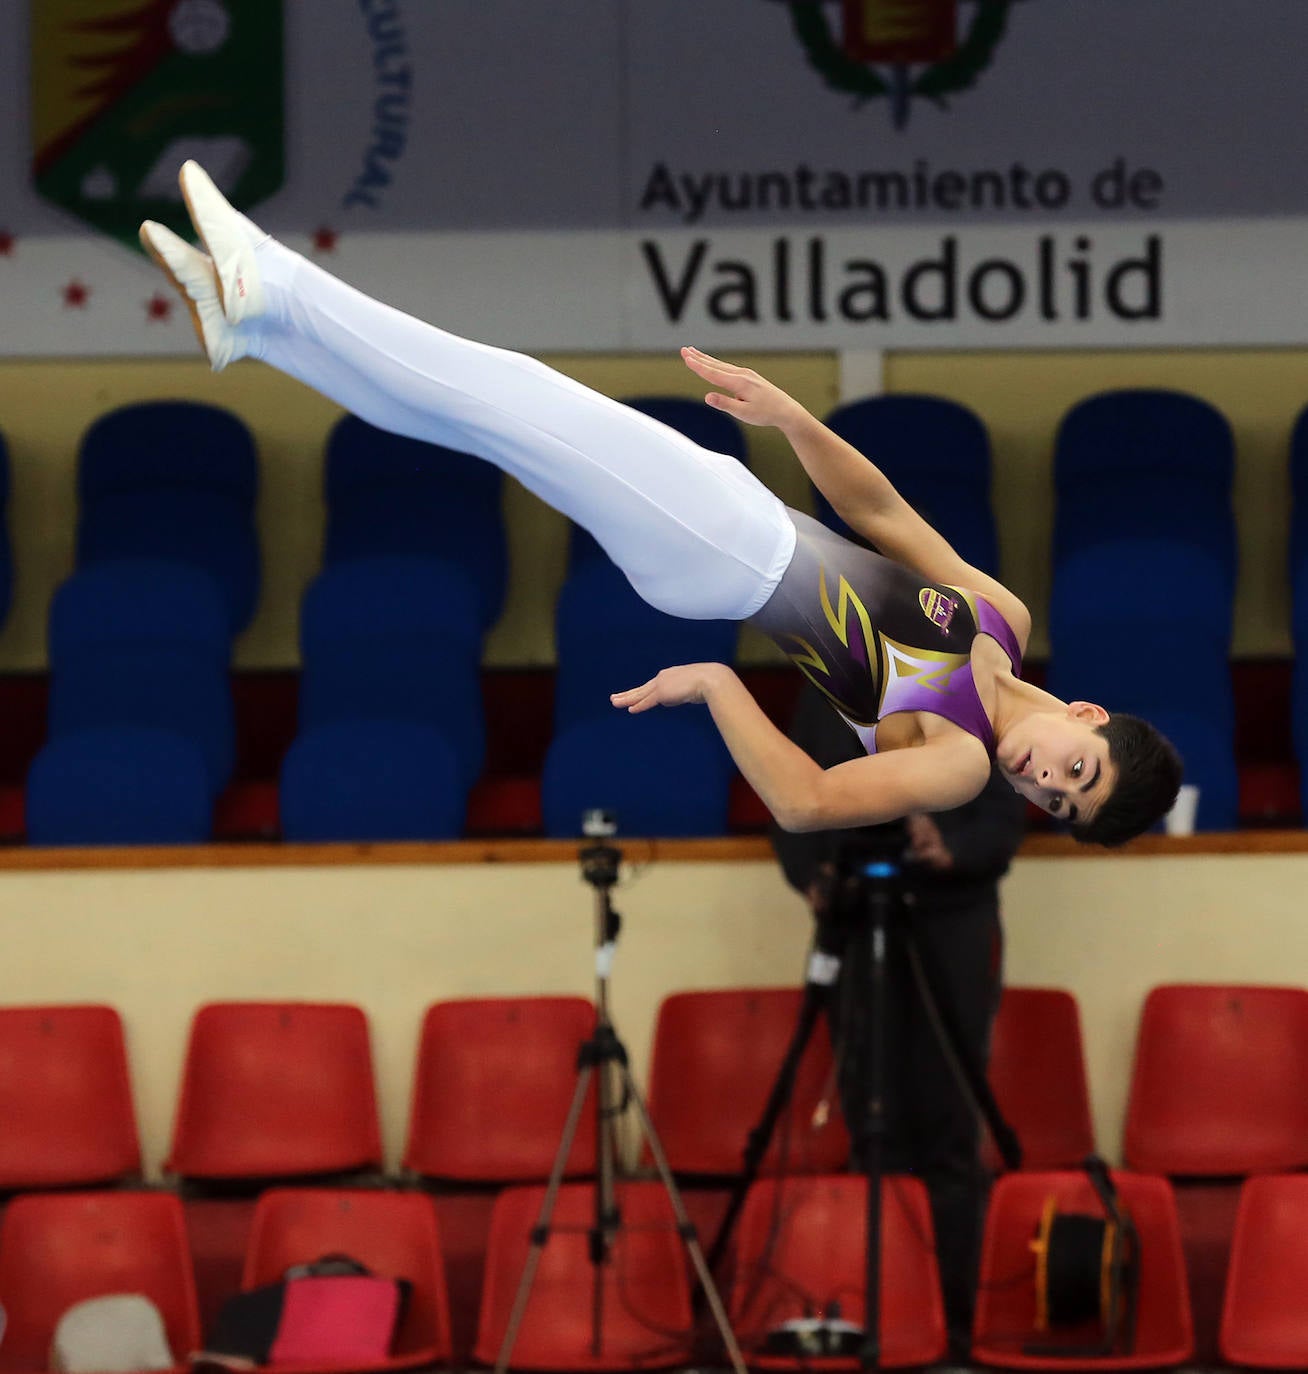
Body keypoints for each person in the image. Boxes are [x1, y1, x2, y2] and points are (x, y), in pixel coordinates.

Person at [140, 160, 1182, 845]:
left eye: (1057, 802)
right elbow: (885, 515)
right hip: (746, 528)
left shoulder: (955, 768)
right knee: (483, 420)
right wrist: (793, 421)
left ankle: (270, 277)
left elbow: (807, 802)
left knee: (511, 390)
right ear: (1088, 717)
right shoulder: (1002, 622)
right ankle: (258, 333)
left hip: (732, 559)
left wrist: (720, 692)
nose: (1042, 781)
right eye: (1074, 769)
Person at [771, 679, 1026, 1356]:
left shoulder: (970, 681)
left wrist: (948, 843)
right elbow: (787, 791)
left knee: (948, 1126)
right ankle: (881, 1312)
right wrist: (815, 877)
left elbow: (1007, 814)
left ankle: (959, 1325)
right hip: (858, 924)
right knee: (871, 1124)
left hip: (952, 926)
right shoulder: (821, 689)